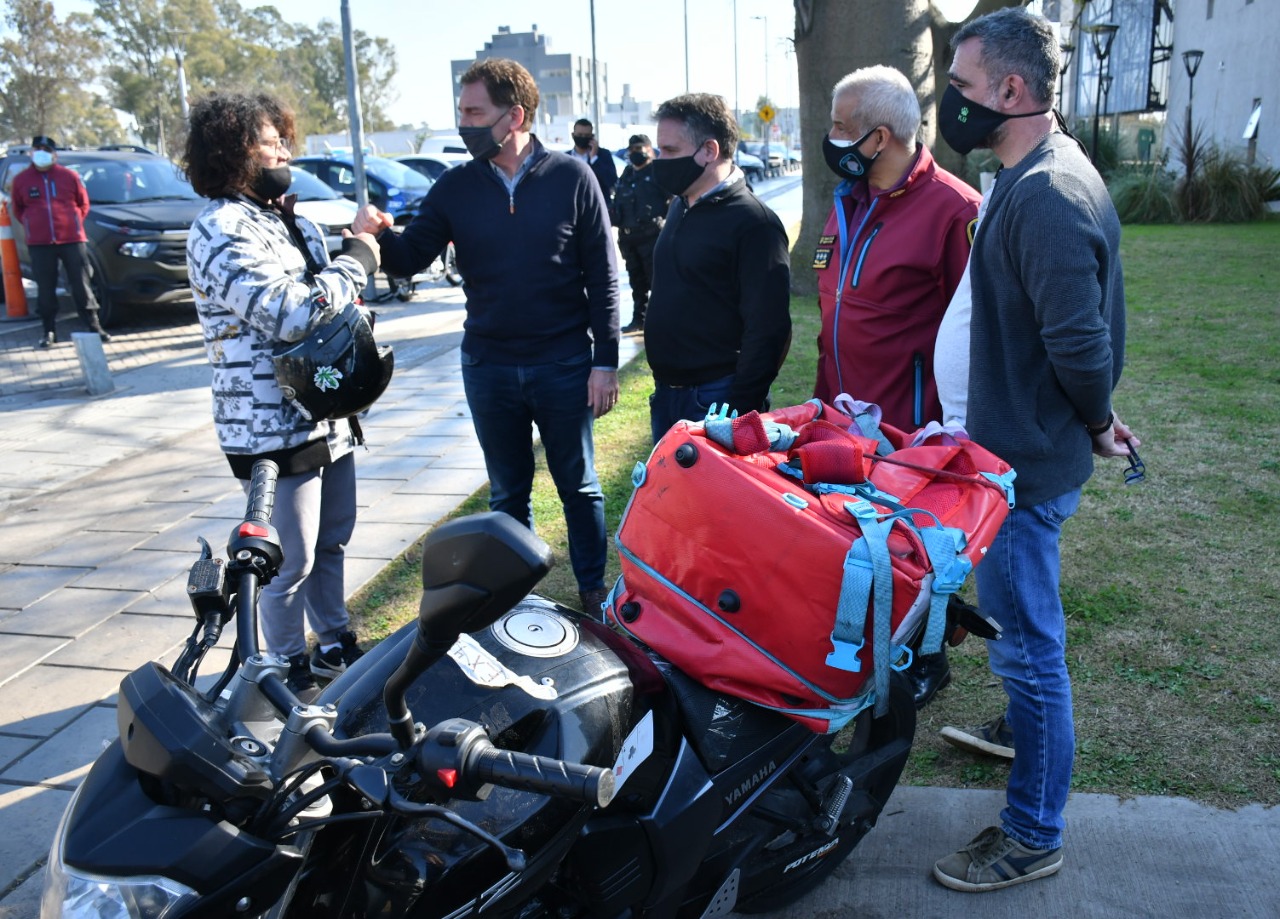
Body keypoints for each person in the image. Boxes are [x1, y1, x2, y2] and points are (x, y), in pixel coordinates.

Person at [929, 8, 1138, 892]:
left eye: (964, 87)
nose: (952, 102)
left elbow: (1080, 345)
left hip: (1019, 468)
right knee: (1023, 642)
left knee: (1027, 651)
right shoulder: (1027, 172)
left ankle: (1033, 831)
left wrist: (1094, 422)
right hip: (1007, 455)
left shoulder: (1048, 193)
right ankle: (1023, 731)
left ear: (1012, 91)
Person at [351, 59, 620, 617]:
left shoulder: (573, 177)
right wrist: (378, 234)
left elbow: (603, 276)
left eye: (474, 112)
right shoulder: (455, 186)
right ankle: (517, 602)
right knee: (507, 496)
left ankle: (593, 593)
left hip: (565, 363)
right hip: (489, 367)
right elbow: (409, 257)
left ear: (514, 115)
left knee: (581, 487)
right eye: (461, 112)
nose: (463, 124)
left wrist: (606, 362)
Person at [184, 92, 378, 694]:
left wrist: (338, 257)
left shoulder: (281, 216)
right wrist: (359, 260)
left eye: (283, 140)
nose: (284, 152)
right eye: (272, 142)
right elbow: (293, 313)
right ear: (236, 153)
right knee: (286, 563)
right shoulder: (218, 230)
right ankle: (289, 669)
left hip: (327, 414)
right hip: (270, 426)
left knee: (332, 542)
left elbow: (330, 301)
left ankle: (335, 641)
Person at [812, 65, 982, 708]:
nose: (829, 140)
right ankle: (869, 646)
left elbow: (978, 331)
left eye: (839, 129)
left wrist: (948, 428)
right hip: (846, 418)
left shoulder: (954, 212)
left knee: (916, 552)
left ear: (878, 138)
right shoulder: (846, 203)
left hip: (914, 432)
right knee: (855, 543)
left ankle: (924, 657)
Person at [644, 92, 791, 443]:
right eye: (658, 149)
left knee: (709, 499)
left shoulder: (755, 223)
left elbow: (768, 329)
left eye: (669, 151)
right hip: (667, 396)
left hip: (716, 401)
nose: (658, 160)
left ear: (709, 151)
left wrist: (739, 413)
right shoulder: (682, 205)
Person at [10, 135, 110, 347]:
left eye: (46, 149)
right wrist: (34, 224)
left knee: (81, 284)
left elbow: (83, 204)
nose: (41, 153)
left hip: (72, 240)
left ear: (54, 154)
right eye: (37, 149)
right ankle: (49, 331)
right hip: (40, 243)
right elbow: (19, 210)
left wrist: (71, 224)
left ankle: (94, 326)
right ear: (31, 152)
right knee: (45, 288)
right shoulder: (22, 180)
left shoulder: (69, 176)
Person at [612, 133, 669, 334]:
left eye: (639, 149)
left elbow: (672, 202)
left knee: (656, 281)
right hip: (628, 237)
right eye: (632, 150)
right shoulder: (627, 174)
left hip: (651, 236)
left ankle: (661, 322)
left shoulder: (657, 173)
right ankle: (639, 320)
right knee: (637, 282)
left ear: (650, 150)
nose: (635, 154)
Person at [570, 117, 618, 205]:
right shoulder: (566, 157)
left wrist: (594, 159)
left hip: (597, 206)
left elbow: (611, 181)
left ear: (592, 137)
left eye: (586, 136)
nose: (583, 138)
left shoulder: (603, 155)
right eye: (580, 135)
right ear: (573, 135)